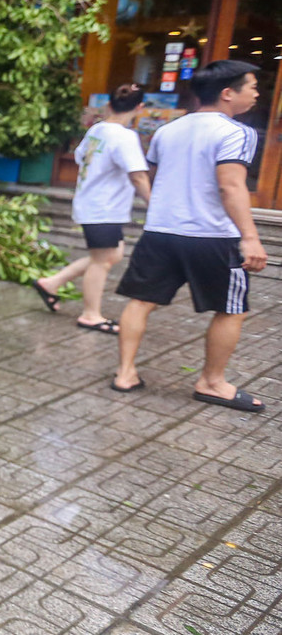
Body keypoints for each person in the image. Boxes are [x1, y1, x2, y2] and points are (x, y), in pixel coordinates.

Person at [111, 59, 268, 411]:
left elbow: (155, 177)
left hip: (161, 231)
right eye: (252, 87)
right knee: (231, 310)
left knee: (140, 302)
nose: (257, 94)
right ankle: (212, 382)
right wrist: (250, 237)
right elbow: (231, 186)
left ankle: (125, 374)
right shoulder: (237, 132)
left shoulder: (167, 130)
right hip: (212, 236)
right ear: (227, 94)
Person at [32, 83, 151, 332]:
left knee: (112, 255)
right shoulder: (125, 137)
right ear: (139, 107)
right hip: (103, 208)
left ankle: (51, 283)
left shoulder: (97, 130)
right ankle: (90, 315)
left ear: (109, 104)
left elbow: (79, 157)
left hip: (94, 203)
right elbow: (138, 175)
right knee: (101, 261)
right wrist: (153, 205)